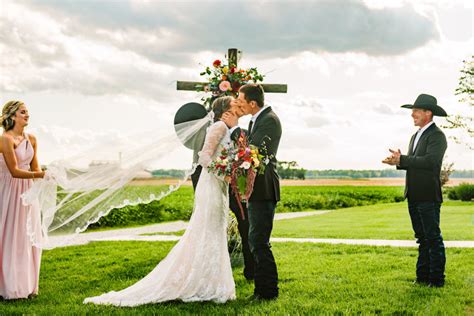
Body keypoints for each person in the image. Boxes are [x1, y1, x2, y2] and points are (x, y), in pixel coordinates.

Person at [84, 96, 236, 306]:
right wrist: (225, 175)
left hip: (218, 187)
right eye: (234, 105)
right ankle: (204, 284)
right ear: (225, 111)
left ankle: (211, 282)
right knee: (208, 231)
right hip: (211, 186)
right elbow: (204, 158)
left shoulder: (226, 128)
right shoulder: (218, 126)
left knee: (214, 232)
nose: (238, 107)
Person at [222, 84, 282, 300]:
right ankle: (263, 289)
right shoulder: (257, 119)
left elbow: (251, 152)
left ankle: (267, 291)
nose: (238, 102)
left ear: (253, 103)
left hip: (264, 188)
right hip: (257, 188)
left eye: (241, 98)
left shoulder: (269, 120)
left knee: (258, 241)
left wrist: (233, 128)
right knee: (255, 239)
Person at [383, 93, 448, 288]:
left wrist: (403, 160)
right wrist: (398, 160)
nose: (412, 115)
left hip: (428, 195)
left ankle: (436, 280)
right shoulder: (415, 135)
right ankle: (422, 278)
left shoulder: (437, 136)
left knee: (432, 238)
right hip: (414, 195)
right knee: (422, 239)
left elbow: (430, 162)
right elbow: (415, 163)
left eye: (416, 111)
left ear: (428, 113)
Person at [0, 100, 45, 299]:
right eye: (23, 112)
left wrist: (44, 174)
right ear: (12, 116)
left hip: (29, 192)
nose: (27, 115)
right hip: (9, 190)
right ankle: (8, 287)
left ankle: (27, 286)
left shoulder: (32, 139)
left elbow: (35, 168)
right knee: (10, 236)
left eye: (27, 112)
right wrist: (41, 176)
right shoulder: (5, 139)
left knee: (28, 236)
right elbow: (15, 172)